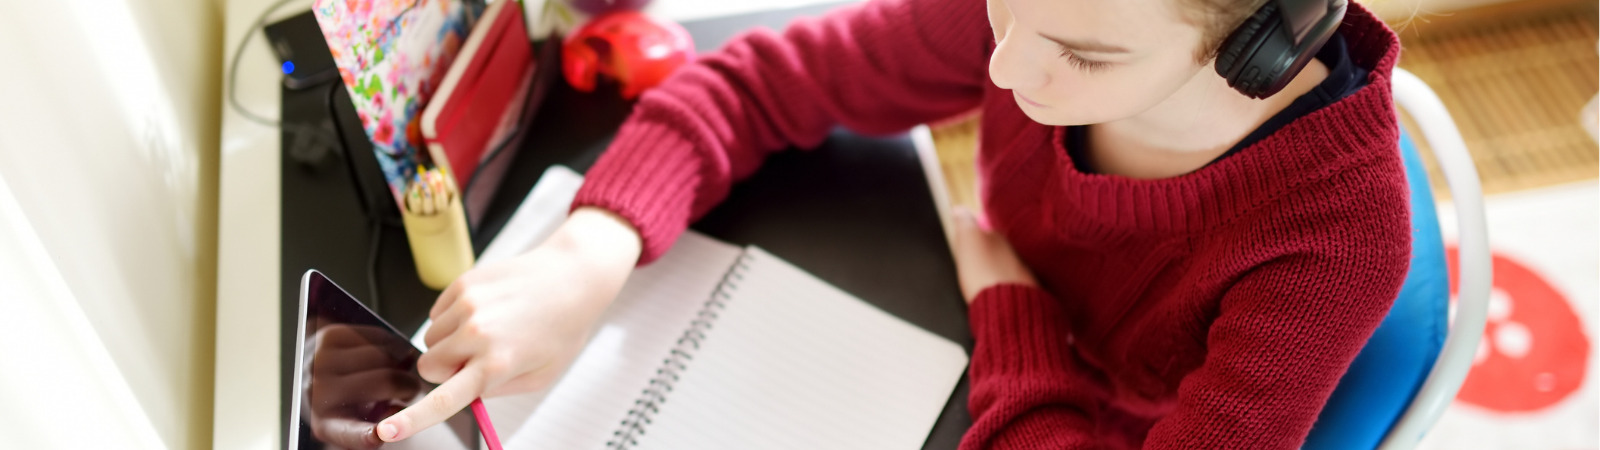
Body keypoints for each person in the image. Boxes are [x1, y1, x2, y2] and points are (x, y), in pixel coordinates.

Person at [378, 0, 1412, 447]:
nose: (1004, 72)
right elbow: (758, 80)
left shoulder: (1335, 245)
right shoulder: (1045, 19)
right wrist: (590, 247)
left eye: (1085, 59)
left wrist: (1008, 314)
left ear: (1265, 48)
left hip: (1085, 406)